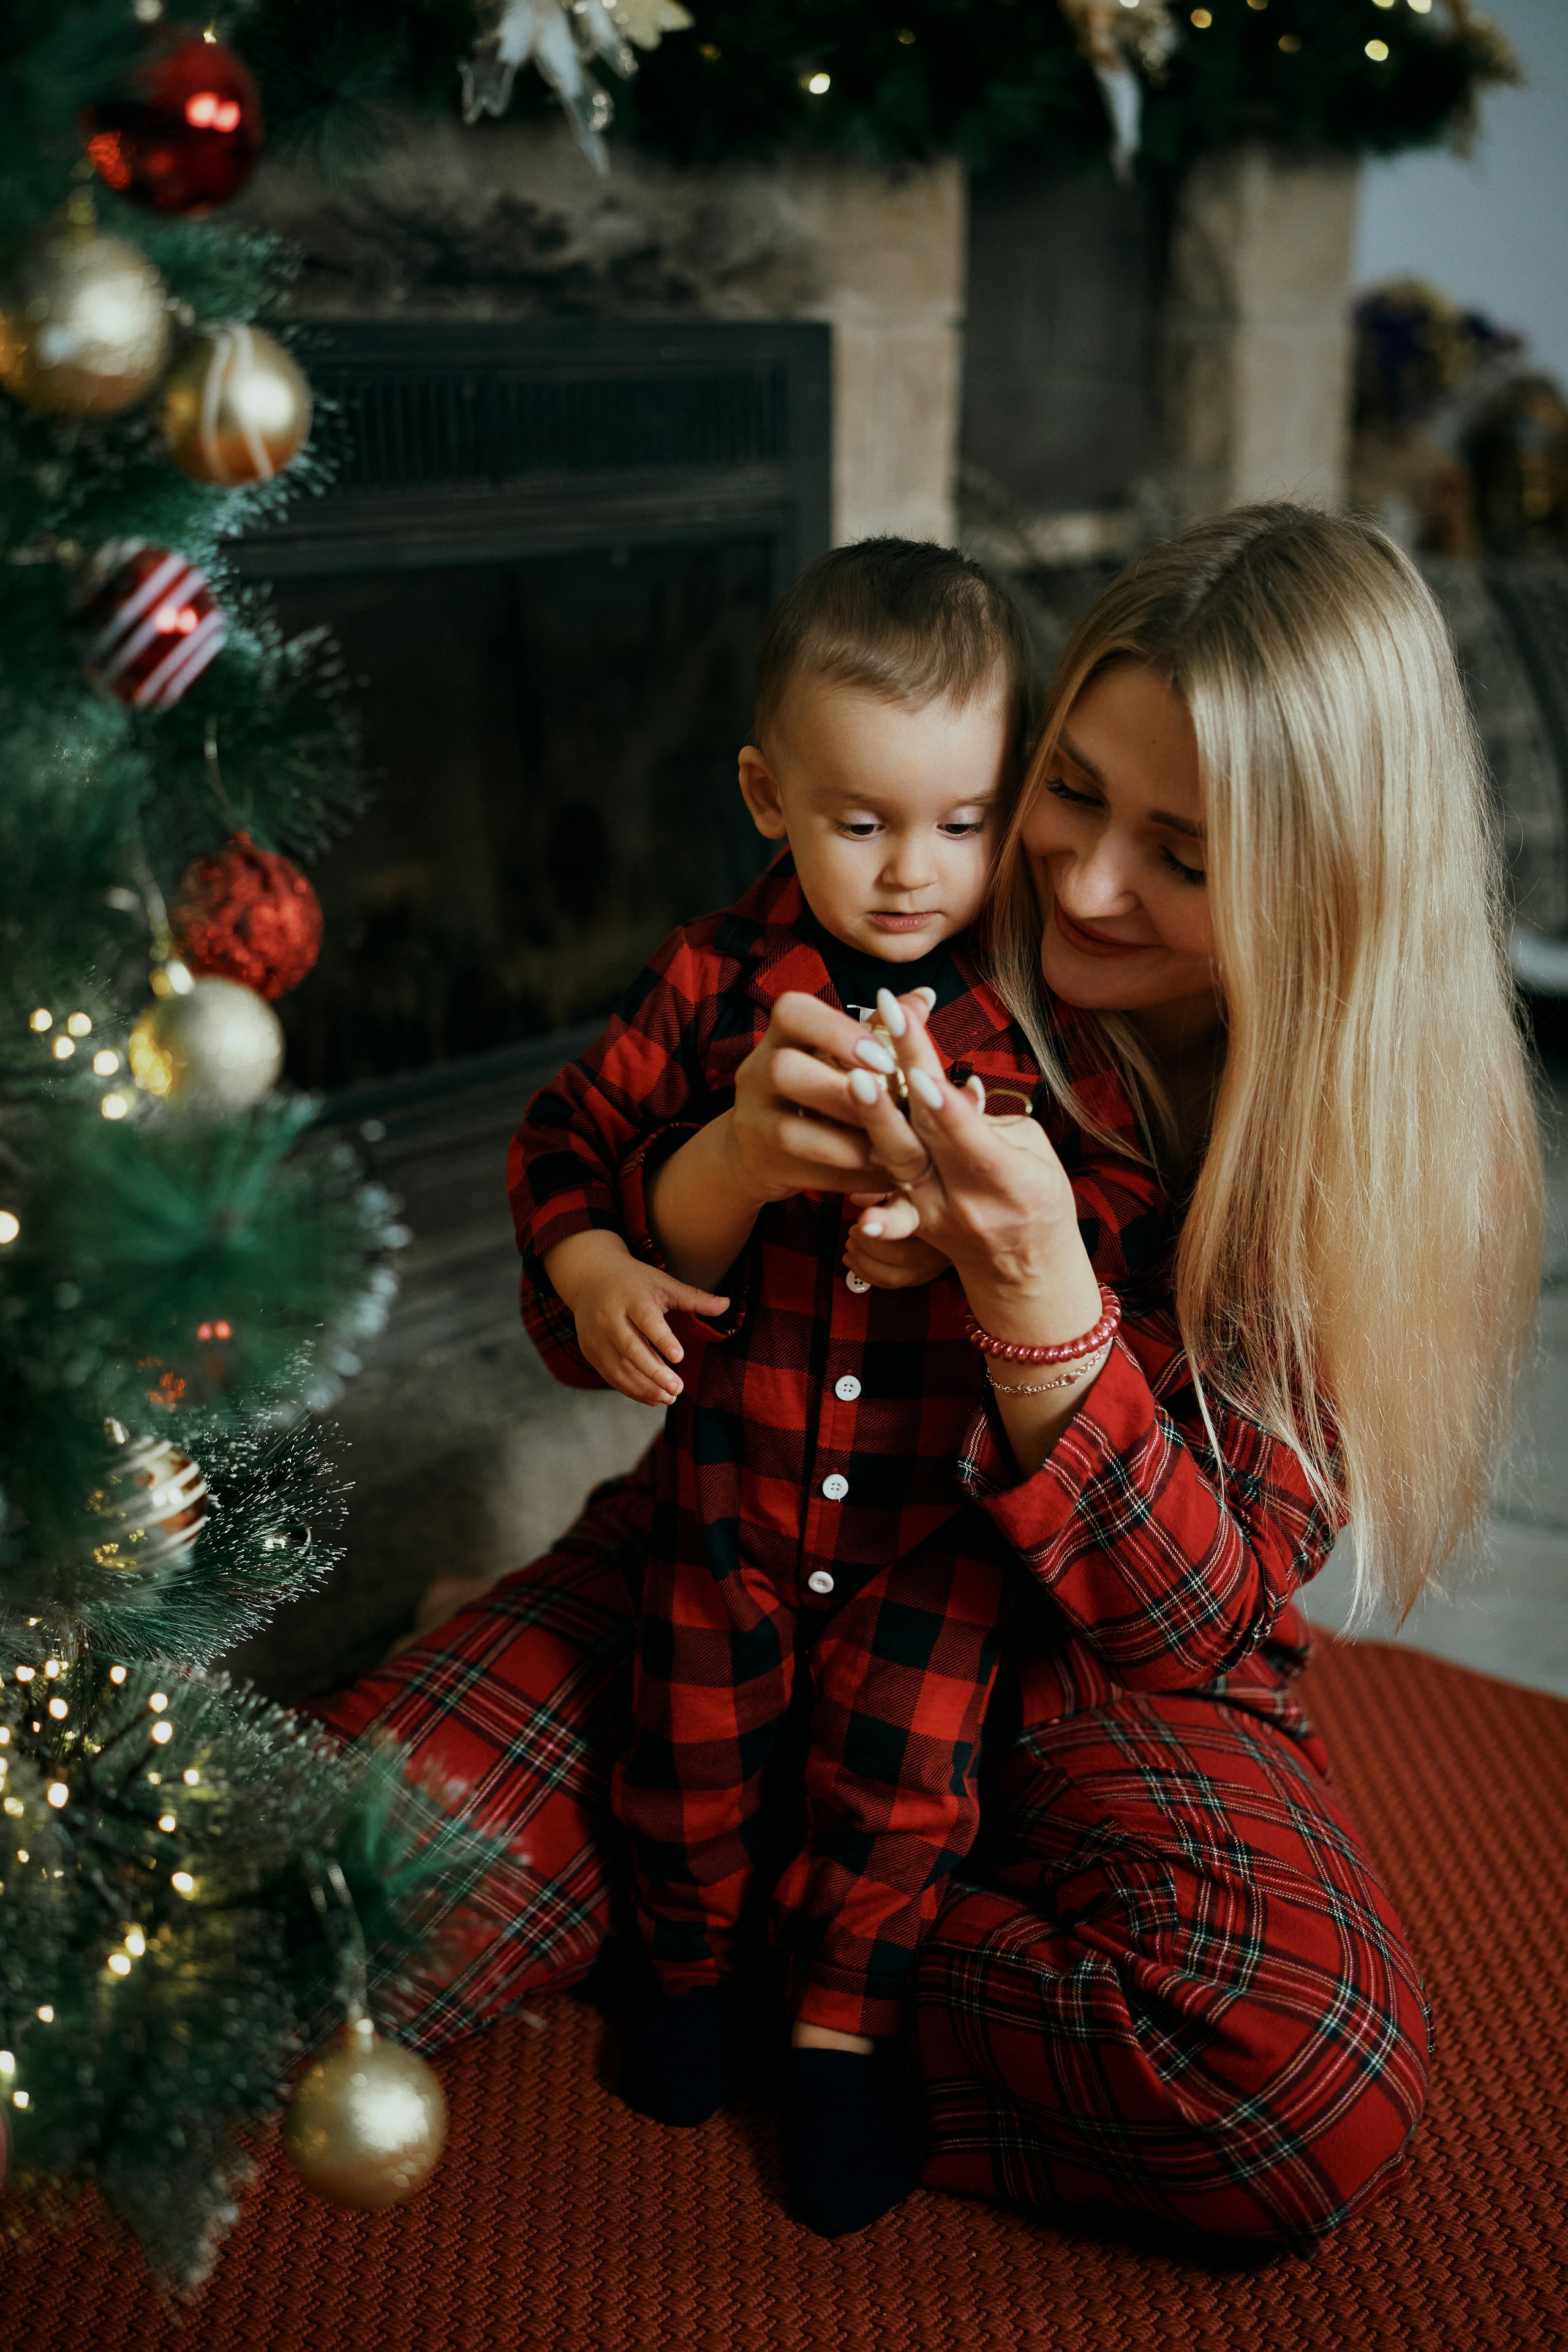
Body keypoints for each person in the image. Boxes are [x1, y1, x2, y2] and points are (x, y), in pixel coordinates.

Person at [318, 503, 1543, 2252]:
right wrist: (728, 1164)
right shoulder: (885, 948)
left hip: (1080, 1660)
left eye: (1186, 857)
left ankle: (759, 1906)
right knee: (315, 1888)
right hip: (742, 1565)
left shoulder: (1384, 1145)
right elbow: (587, 1238)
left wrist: (1039, 1302)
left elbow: (1187, 1626)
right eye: (1068, 792)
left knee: (1286, 2087)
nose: (1082, 883)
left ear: (1327, 885)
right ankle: (712, 1856)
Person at [506, 538, 1164, 2234]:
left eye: (959, 823)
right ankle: (689, 1968)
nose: (906, 875)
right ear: (764, 791)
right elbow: (569, 1146)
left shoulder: (1039, 1025)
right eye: (859, 821)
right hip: (733, 1497)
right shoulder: (718, 981)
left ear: (1007, 802)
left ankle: (839, 2030)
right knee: (689, 1747)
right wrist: (597, 1262)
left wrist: (977, 1242)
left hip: (931, 1536)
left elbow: (1107, 1229)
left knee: (902, 1787)